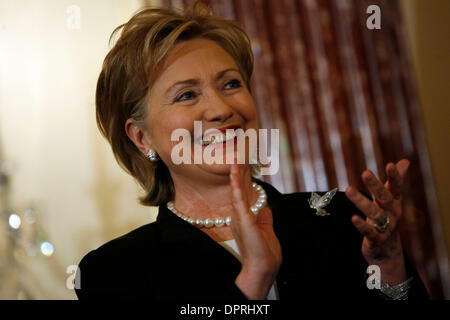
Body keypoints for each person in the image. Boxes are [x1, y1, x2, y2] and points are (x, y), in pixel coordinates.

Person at [75, 2, 428, 300]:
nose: (220, 109)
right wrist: (254, 280)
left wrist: (389, 266)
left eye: (231, 84)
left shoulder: (343, 220)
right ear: (141, 138)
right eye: (187, 95)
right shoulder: (113, 273)